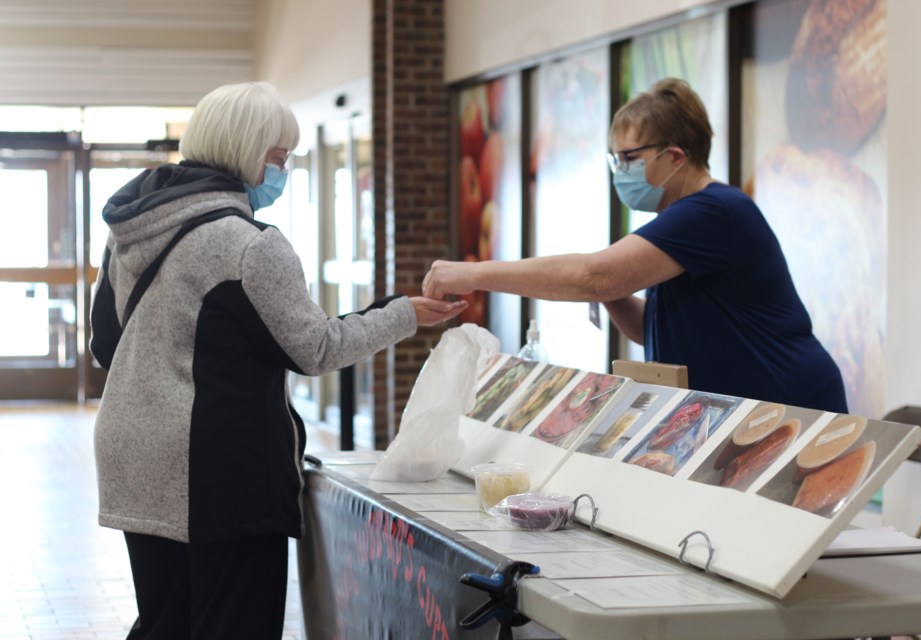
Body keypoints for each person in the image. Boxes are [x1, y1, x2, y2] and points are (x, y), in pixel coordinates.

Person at [90, 81, 465, 640]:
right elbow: (315, 348)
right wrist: (404, 314)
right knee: (233, 624)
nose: (284, 169)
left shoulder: (132, 231)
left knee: (165, 623)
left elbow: (105, 343)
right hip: (214, 472)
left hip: (132, 456)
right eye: (278, 156)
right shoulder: (249, 244)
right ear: (244, 150)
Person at [424, 77, 847, 413]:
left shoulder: (713, 211)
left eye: (628, 159)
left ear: (675, 158)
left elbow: (595, 274)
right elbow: (651, 330)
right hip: (747, 404)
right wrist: (610, 295)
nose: (619, 171)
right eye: (615, 160)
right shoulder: (679, 222)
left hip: (792, 404)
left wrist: (472, 273)